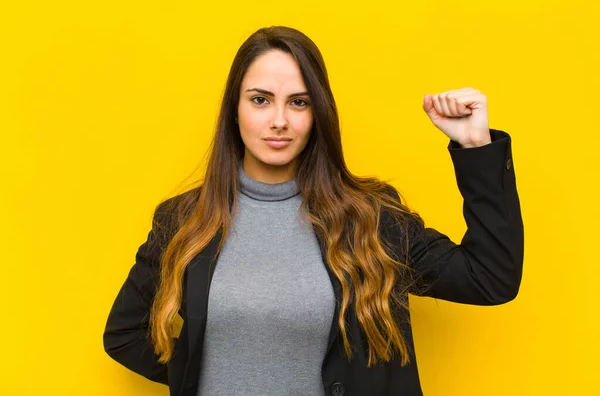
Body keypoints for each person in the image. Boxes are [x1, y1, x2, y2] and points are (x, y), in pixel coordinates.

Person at [103, 26, 524, 396]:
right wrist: (203, 375)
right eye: (261, 99)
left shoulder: (372, 219)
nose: (279, 120)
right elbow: (124, 335)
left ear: (318, 113)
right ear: (235, 109)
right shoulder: (183, 221)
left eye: (299, 102)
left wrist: (476, 148)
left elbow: (490, 279)